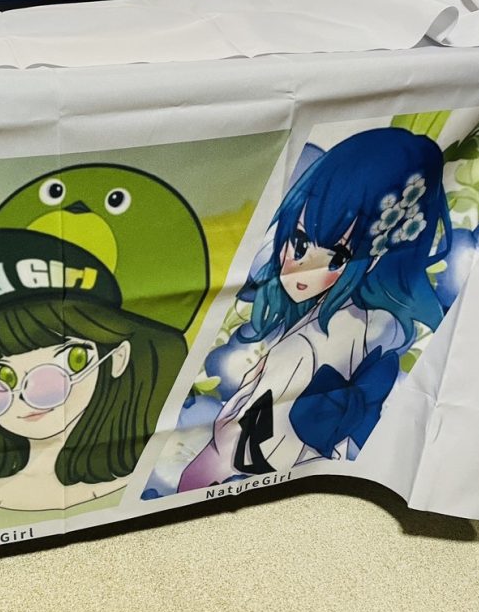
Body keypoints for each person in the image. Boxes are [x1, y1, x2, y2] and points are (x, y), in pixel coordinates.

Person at [178, 127, 451, 491]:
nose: (302, 267)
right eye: (300, 241)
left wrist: (224, 444)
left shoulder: (303, 347)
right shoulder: (357, 321)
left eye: (336, 257)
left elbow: (253, 453)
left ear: (374, 257)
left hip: (252, 470)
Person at [0, 229, 187, 540]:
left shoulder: (155, 470)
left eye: (68, 361)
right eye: (1, 378)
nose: (29, 396)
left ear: (118, 358)